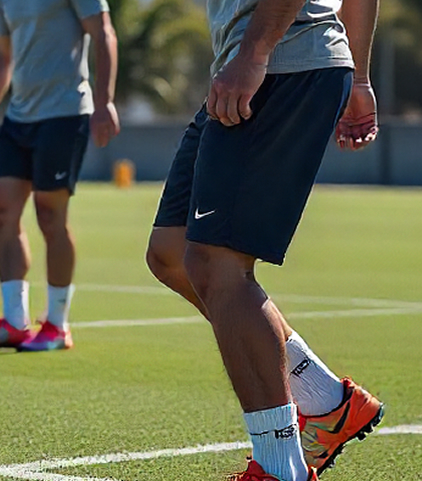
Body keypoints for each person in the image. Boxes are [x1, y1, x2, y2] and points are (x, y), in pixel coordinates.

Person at [145, 0, 383, 479]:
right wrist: (358, 77)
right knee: (172, 250)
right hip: (260, 61)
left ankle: (280, 469)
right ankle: (326, 401)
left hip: (279, 63)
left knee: (217, 263)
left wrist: (254, 54)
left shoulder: (264, 55)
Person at [0, 0, 120, 353]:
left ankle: (57, 325)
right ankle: (14, 322)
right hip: (18, 118)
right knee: (0, 210)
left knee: (50, 215)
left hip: (65, 114)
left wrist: (104, 100)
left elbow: (104, 33)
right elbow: (2, 53)